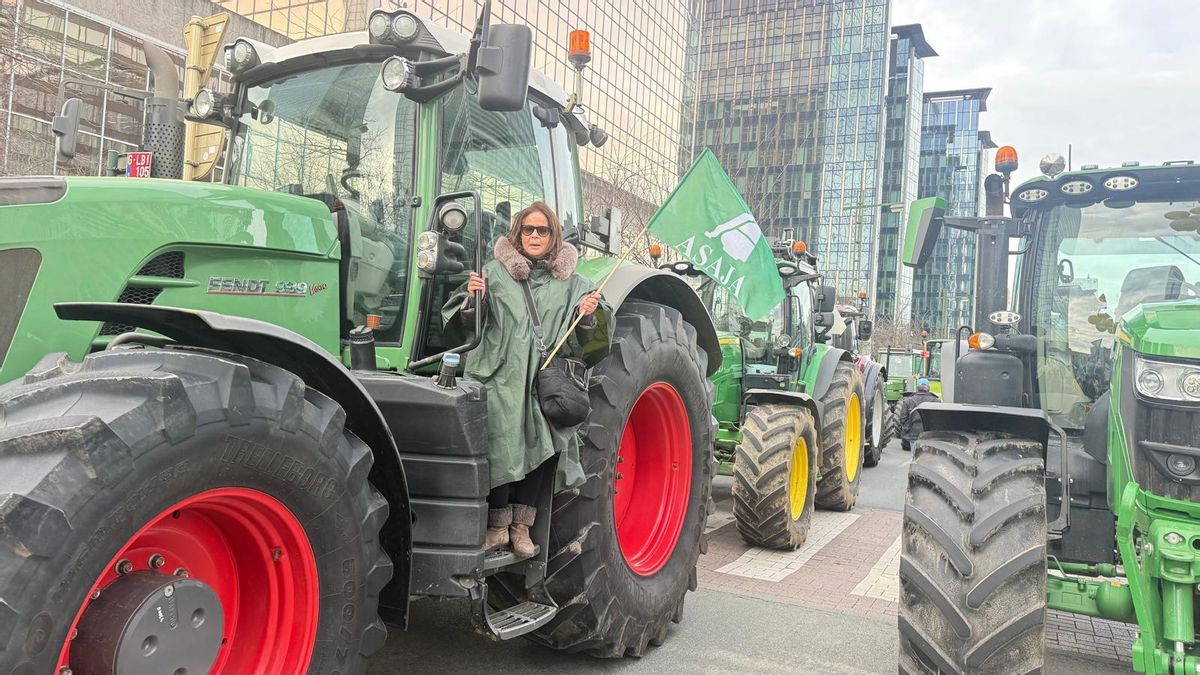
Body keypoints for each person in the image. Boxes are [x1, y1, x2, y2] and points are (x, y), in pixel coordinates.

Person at [443, 201, 609, 557]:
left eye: (543, 230)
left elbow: (592, 342)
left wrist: (589, 316)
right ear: (517, 235)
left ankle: (522, 528)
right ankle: (498, 527)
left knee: (540, 449)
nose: (535, 236)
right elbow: (462, 326)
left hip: (543, 381)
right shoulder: (492, 272)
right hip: (501, 377)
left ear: (553, 236)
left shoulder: (575, 284)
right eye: (528, 230)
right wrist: (474, 301)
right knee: (501, 447)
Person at [899, 378, 940, 452]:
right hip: (929, 434)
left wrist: (908, 428)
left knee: (914, 455)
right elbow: (939, 420)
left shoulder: (908, 400)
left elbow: (902, 419)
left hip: (913, 434)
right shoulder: (936, 401)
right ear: (928, 388)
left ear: (917, 388)